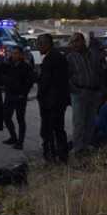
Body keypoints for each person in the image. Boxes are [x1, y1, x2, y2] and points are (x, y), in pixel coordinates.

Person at [66, 32, 105, 155]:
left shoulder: (94, 55)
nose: (74, 44)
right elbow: (66, 76)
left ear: (83, 41)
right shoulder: (71, 57)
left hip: (94, 92)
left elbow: (101, 72)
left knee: (90, 122)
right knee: (79, 122)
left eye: (77, 41)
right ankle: (78, 149)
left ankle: (85, 147)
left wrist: (101, 89)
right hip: (80, 93)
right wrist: (74, 90)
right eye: (72, 42)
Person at [35, 34, 70, 164]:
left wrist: (40, 97)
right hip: (61, 101)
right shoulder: (61, 58)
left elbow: (45, 82)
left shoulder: (49, 60)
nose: (38, 48)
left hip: (49, 102)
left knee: (47, 132)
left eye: (40, 44)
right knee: (59, 129)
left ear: (47, 44)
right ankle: (63, 155)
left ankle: (50, 157)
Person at [0, 45, 34, 149]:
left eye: (16, 53)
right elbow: (1, 71)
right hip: (9, 95)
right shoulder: (10, 65)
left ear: (21, 55)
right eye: (13, 53)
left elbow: (29, 83)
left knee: (20, 119)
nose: (14, 56)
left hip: (19, 97)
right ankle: (13, 137)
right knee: (6, 117)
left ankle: (20, 142)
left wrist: (23, 94)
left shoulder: (26, 67)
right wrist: (5, 61)